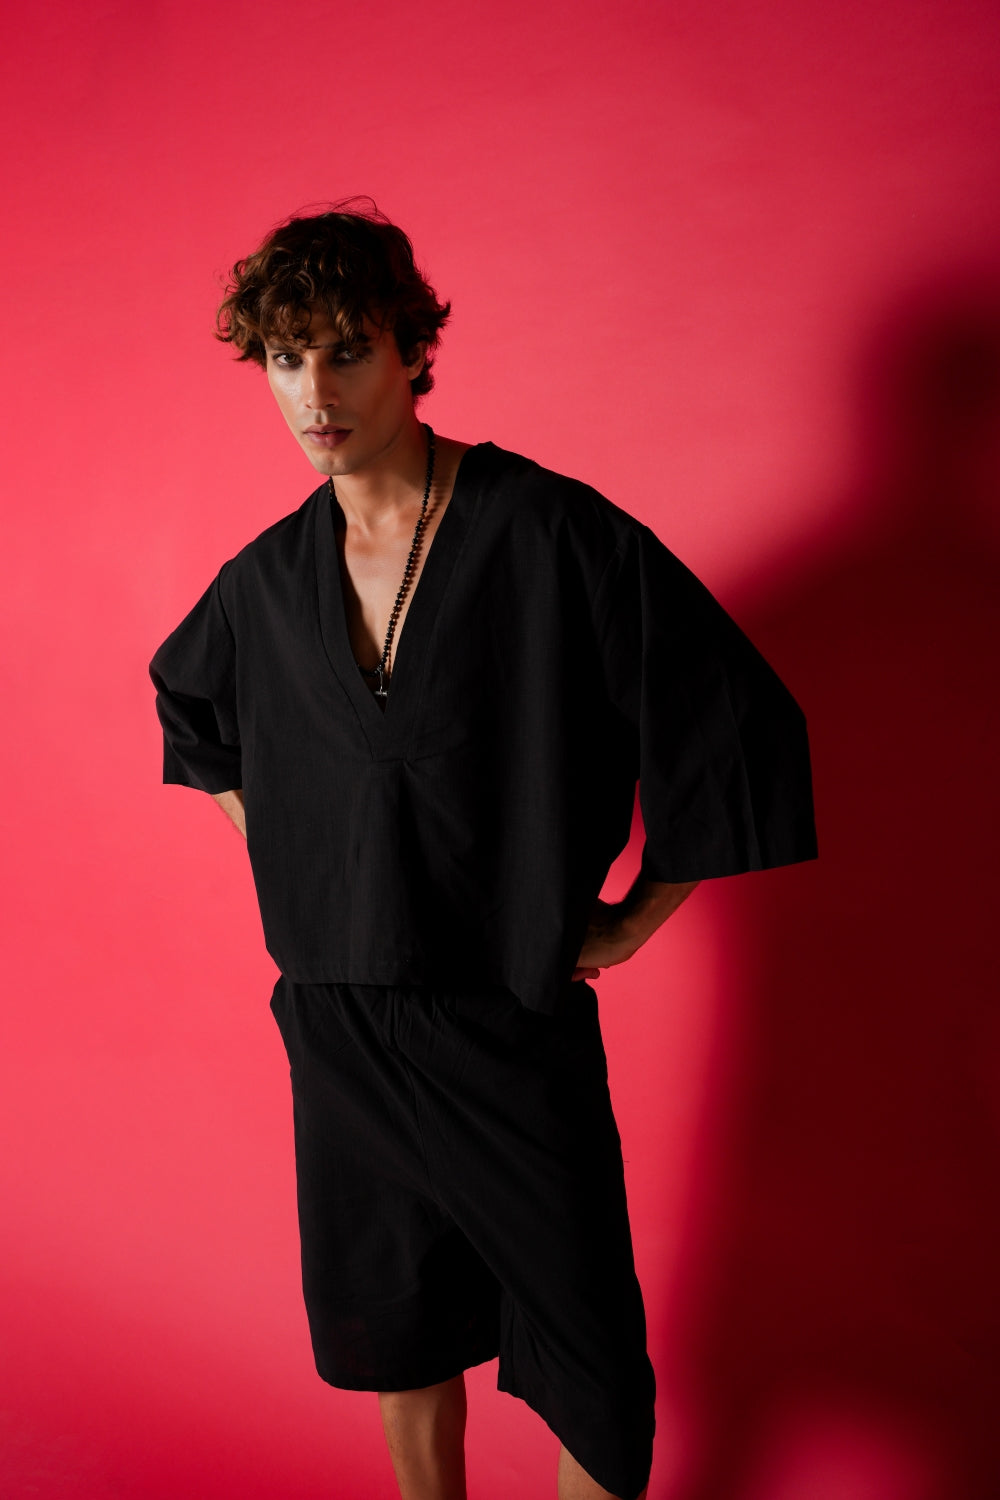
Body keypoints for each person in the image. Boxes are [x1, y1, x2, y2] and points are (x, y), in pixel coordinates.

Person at [148, 200, 818, 1500]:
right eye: (287, 357)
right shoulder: (265, 581)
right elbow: (191, 710)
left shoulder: (548, 533)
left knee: (594, 1363)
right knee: (396, 1326)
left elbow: (731, 715)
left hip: (505, 1016)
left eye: (347, 350)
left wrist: (632, 916)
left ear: (412, 350)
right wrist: (299, 856)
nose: (315, 392)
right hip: (339, 1023)